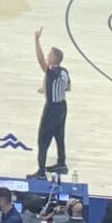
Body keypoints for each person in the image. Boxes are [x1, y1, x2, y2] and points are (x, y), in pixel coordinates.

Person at [32, 28, 70, 178]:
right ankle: (61, 164)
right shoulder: (63, 71)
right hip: (62, 107)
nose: (47, 57)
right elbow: (67, 87)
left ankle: (41, 172)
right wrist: (47, 87)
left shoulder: (52, 72)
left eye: (49, 55)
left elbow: (40, 61)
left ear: (54, 60)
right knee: (59, 136)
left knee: (43, 139)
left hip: (52, 109)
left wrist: (36, 40)